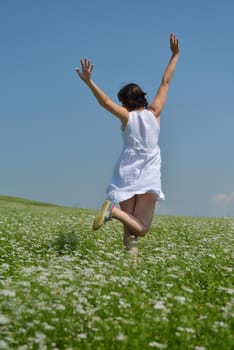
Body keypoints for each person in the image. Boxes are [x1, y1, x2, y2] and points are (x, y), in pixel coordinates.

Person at [75, 33, 179, 252]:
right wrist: (175, 54)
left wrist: (89, 82)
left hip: (127, 171)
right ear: (142, 97)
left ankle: (129, 266)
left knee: (130, 225)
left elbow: (104, 102)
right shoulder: (155, 112)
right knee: (141, 229)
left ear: (124, 102)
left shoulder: (127, 117)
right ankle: (112, 212)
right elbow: (165, 81)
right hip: (149, 172)